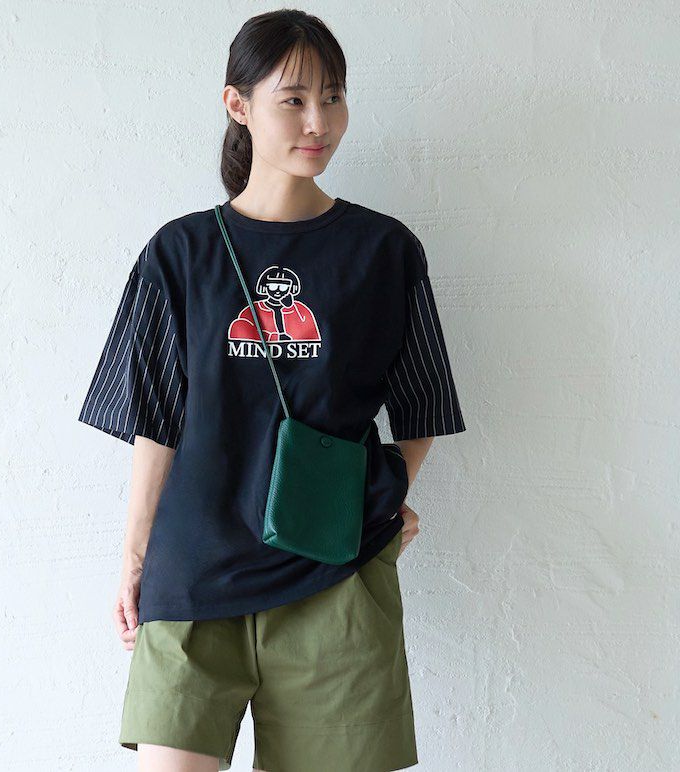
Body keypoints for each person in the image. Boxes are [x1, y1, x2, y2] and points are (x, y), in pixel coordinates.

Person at [78, 9, 467, 772]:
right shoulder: (180, 253)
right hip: (194, 574)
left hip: (335, 581)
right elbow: (156, 420)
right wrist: (134, 557)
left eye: (333, 97)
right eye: (293, 99)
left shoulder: (384, 251)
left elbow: (421, 405)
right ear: (238, 105)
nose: (319, 121)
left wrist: (381, 497)